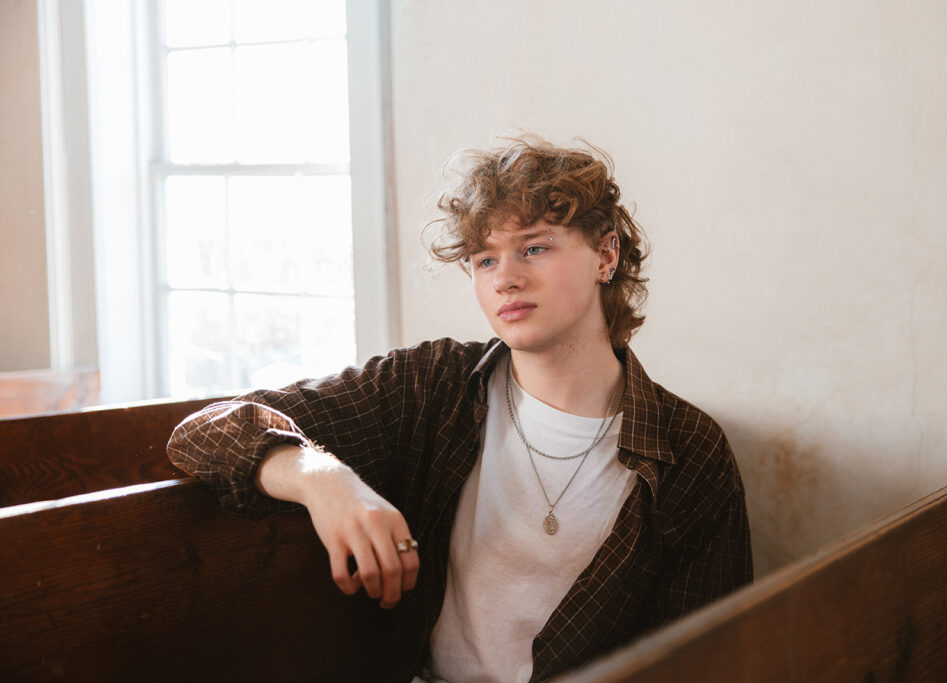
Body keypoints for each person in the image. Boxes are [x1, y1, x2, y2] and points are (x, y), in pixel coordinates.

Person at [167, 136, 753, 682]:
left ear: (606, 255)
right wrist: (324, 479)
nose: (507, 279)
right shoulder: (429, 387)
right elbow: (205, 431)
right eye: (485, 259)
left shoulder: (690, 450)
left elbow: (707, 661)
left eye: (535, 248)